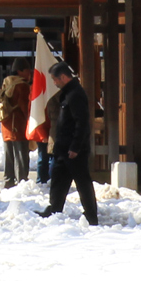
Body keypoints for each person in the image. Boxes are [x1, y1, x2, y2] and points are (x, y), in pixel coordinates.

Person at [37, 63, 99, 225]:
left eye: (55, 79)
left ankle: (91, 214)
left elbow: (82, 123)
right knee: (58, 180)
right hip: (63, 148)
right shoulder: (67, 93)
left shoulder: (76, 94)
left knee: (82, 182)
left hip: (74, 149)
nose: (54, 83)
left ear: (63, 77)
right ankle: (54, 208)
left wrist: (75, 147)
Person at [0, 58, 34, 188]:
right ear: (20, 71)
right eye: (27, 71)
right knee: (21, 155)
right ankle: (22, 182)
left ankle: (8, 181)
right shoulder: (22, 86)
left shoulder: (6, 84)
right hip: (18, 126)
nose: (29, 74)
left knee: (9, 155)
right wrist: (31, 121)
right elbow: (24, 107)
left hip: (6, 126)